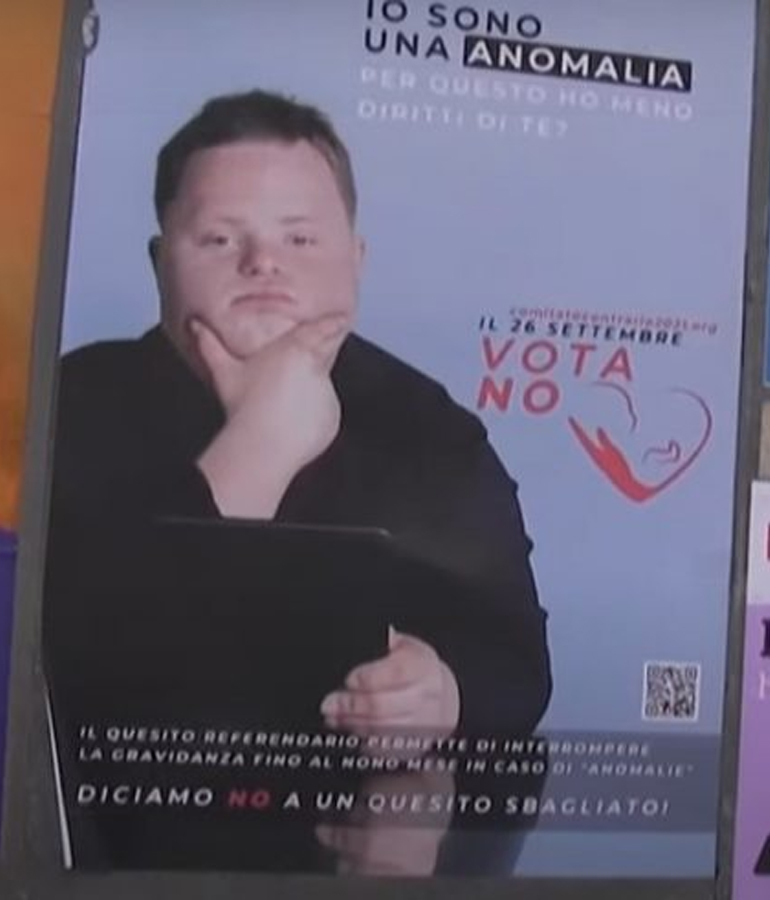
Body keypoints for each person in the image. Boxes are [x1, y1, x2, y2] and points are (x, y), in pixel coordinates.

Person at [40, 89, 553, 869]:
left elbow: (517, 664)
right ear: (158, 261)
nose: (263, 264)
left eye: (301, 237)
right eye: (220, 239)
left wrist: (443, 695)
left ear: (357, 259)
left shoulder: (429, 427)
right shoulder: (67, 406)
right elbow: (60, 670)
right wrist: (261, 443)